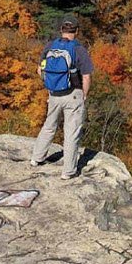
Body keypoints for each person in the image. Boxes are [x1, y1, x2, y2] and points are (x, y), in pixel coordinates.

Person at [30, 15, 94, 180]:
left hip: (54, 94)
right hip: (73, 94)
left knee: (49, 125)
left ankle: (37, 158)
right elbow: (86, 77)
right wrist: (84, 95)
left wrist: (51, 85)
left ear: (61, 30)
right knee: (71, 133)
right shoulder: (79, 49)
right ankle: (68, 171)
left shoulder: (51, 45)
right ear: (76, 31)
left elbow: (40, 69)